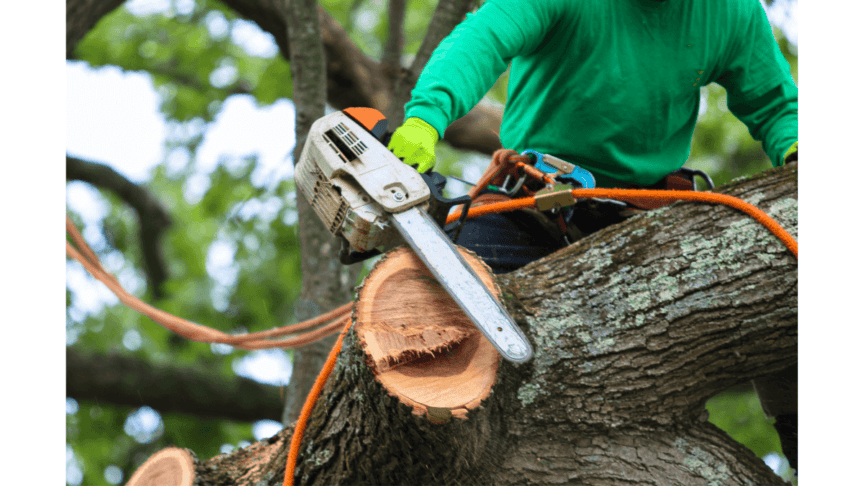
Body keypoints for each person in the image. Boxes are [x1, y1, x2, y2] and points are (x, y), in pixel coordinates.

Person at [386, 0, 798, 471]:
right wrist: (426, 117)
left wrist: (796, 146)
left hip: (649, 223)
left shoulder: (729, 12)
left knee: (778, 271)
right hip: (528, 208)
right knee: (434, 315)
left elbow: (775, 103)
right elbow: (482, 40)